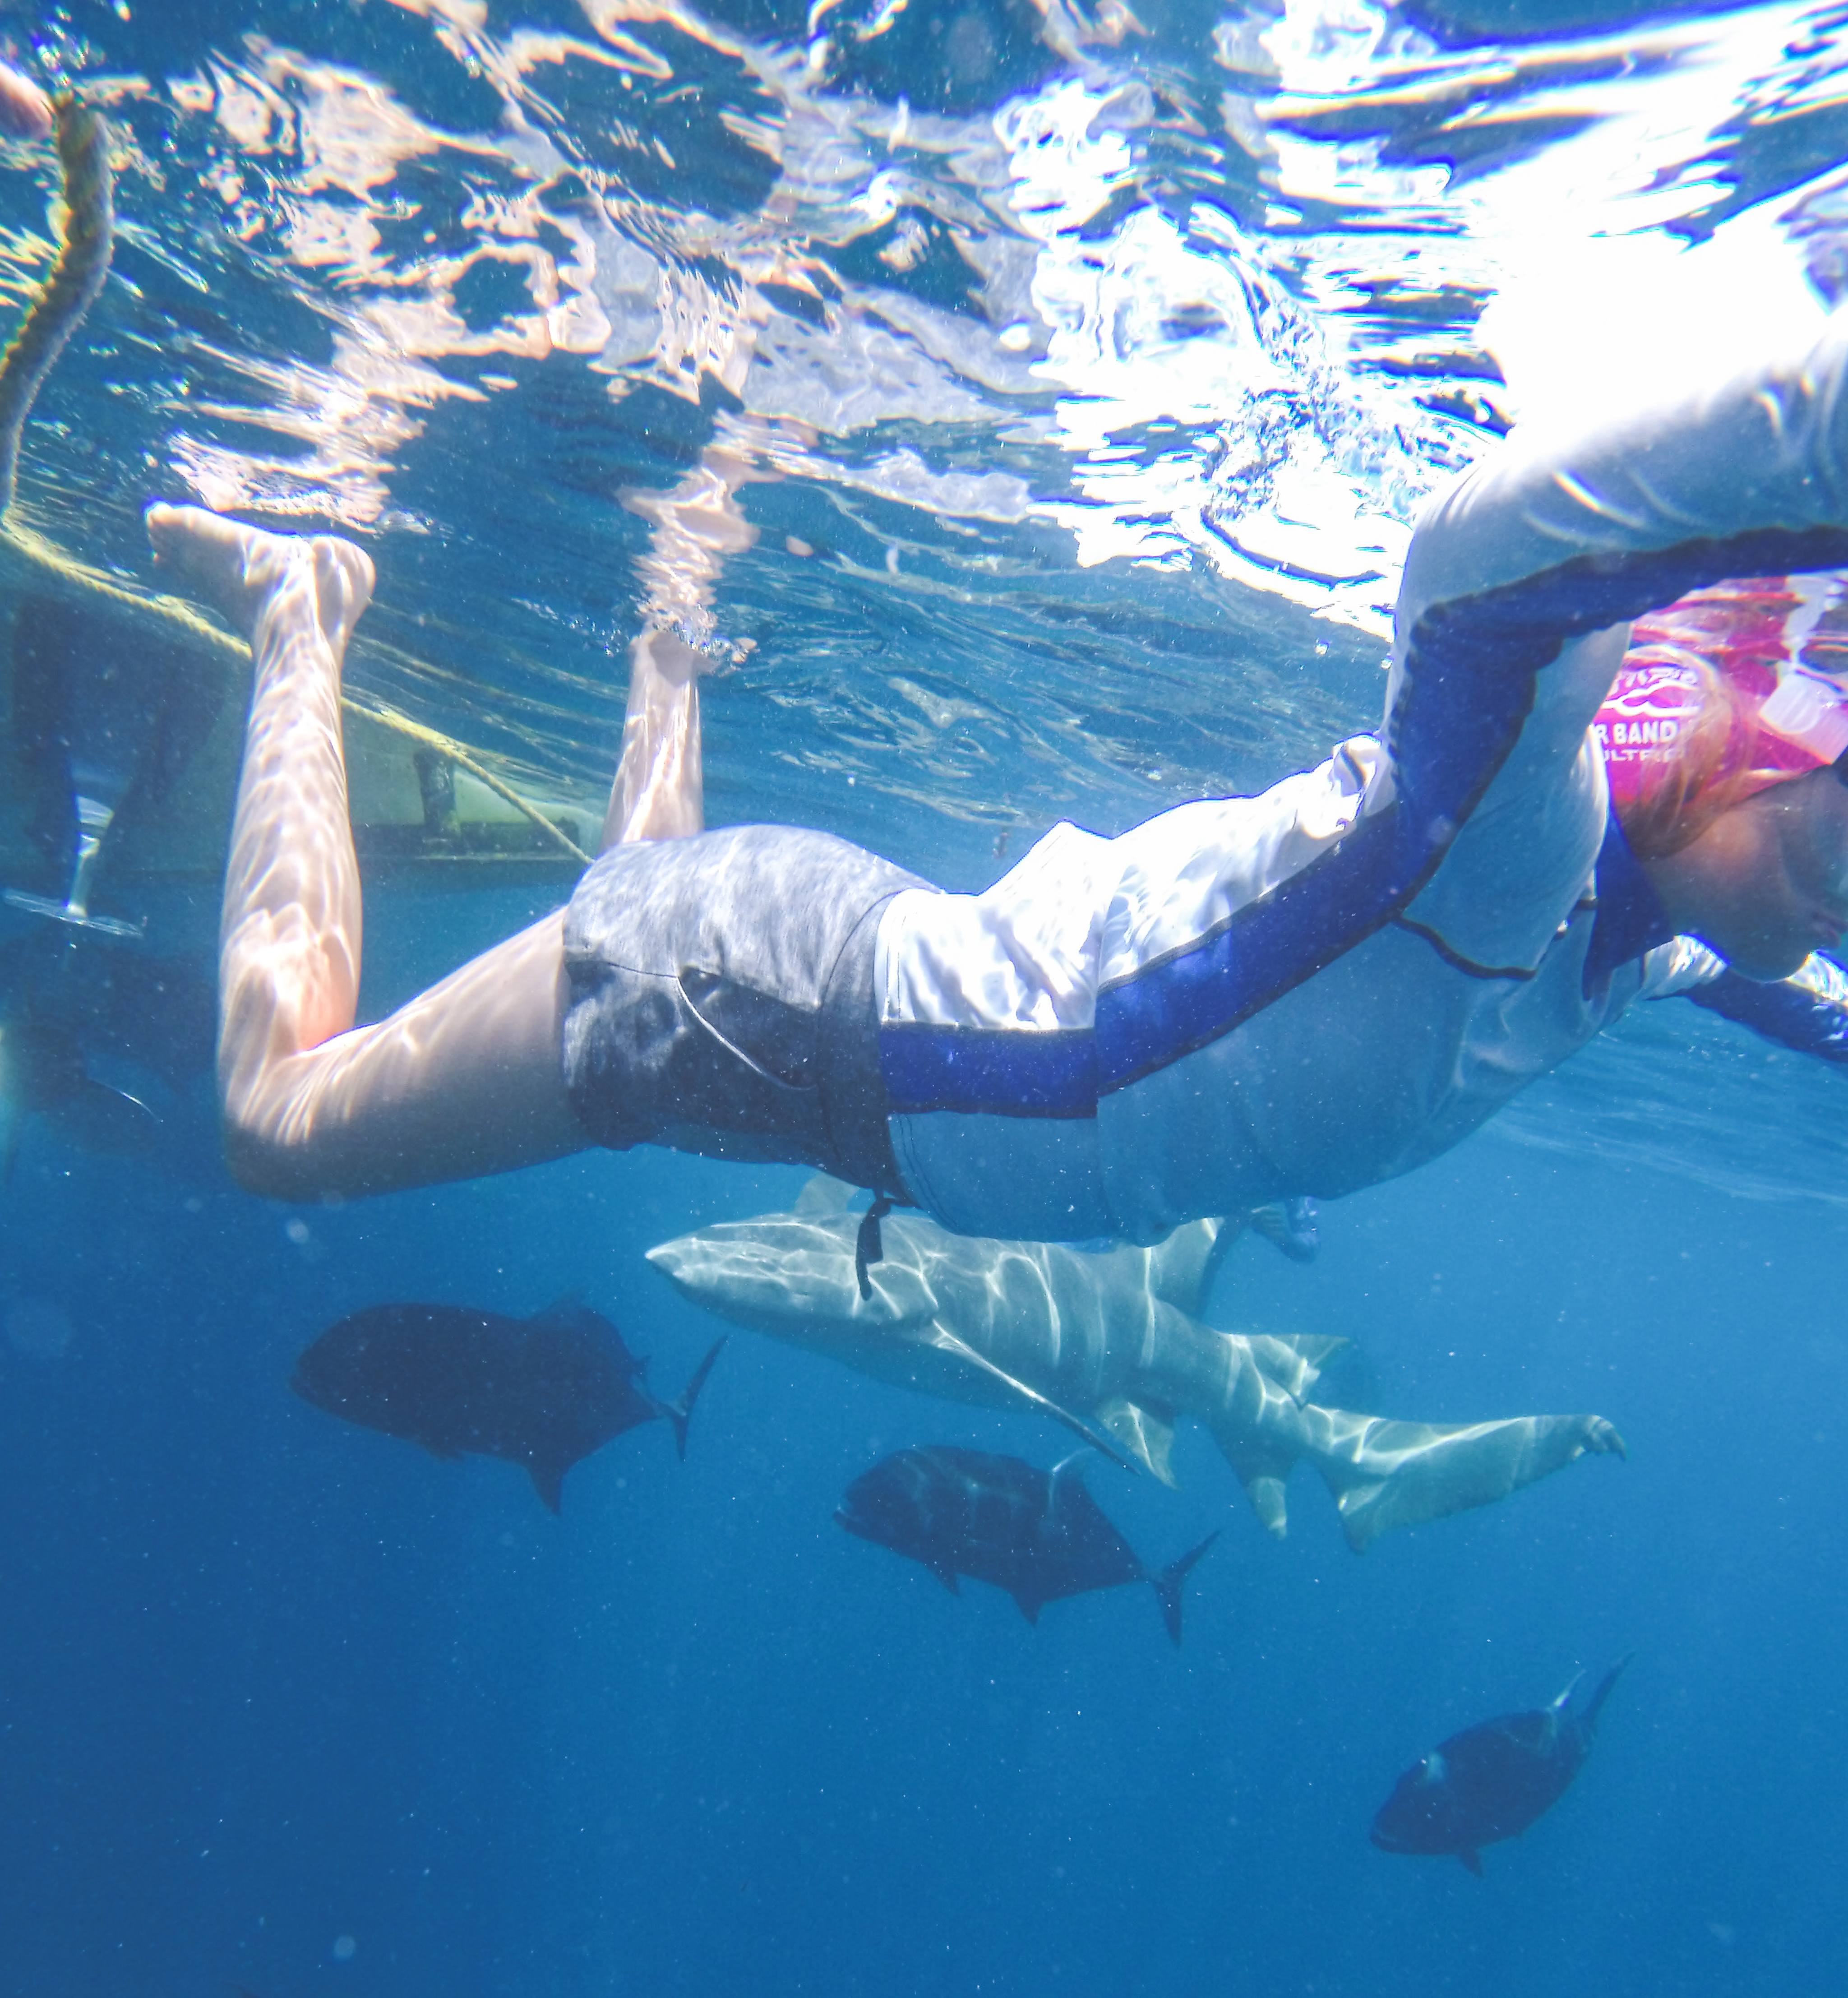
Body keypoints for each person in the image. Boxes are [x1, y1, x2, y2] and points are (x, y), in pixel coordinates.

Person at [144, 314, 1848, 1241]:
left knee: (635, 901)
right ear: (1756, 746)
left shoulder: (1649, 940)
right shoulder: (1512, 829)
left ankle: (668, 653)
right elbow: (1477, 561)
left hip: (817, 1012)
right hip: (788, 1001)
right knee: (276, 1125)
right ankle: (307, 614)